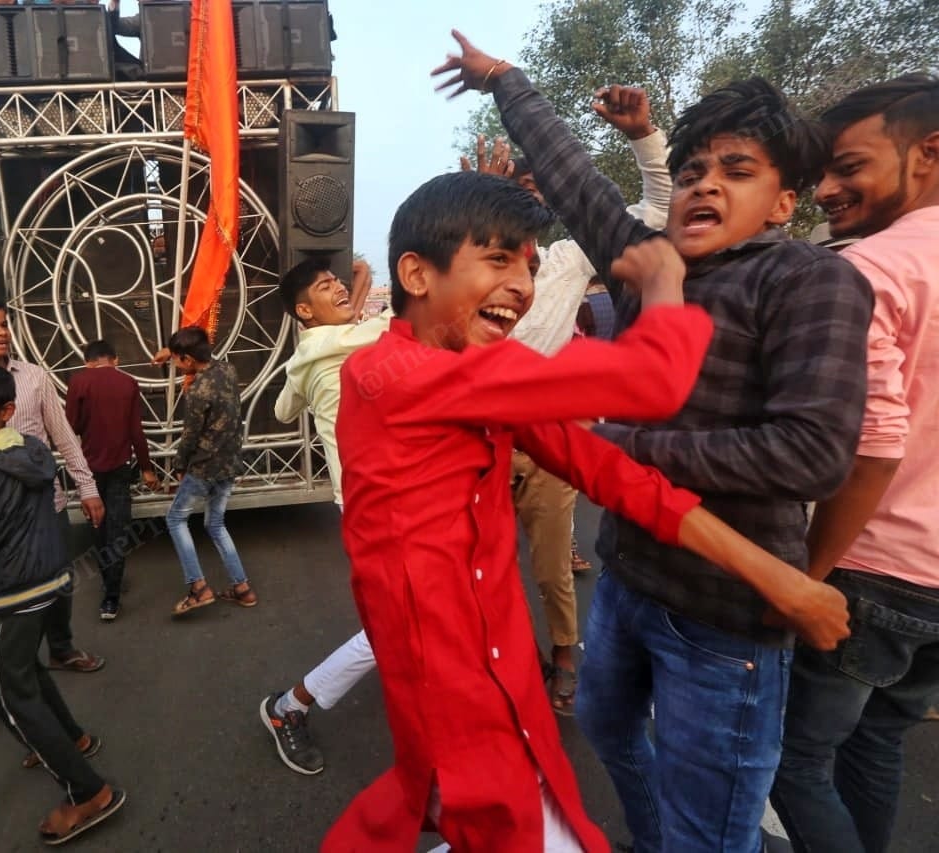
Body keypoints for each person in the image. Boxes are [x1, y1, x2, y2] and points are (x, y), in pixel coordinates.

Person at [321, 160, 851, 850]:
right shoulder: (400, 374)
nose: (522, 286)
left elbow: (610, 472)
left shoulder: (464, 380)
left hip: (495, 657)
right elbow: (656, 379)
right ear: (417, 276)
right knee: (511, 816)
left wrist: (779, 576)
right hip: (454, 682)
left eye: (531, 265)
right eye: (498, 259)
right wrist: (666, 285)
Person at [438, 31, 875, 853]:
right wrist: (507, 81)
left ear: (785, 202)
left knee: (711, 824)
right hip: (630, 580)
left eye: (737, 171)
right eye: (694, 170)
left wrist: (620, 448)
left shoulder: (807, 281)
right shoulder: (654, 263)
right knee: (607, 732)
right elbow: (574, 181)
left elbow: (812, 453)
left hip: (726, 621)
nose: (706, 184)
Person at [769, 74, 939, 853]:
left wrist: (804, 578)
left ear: (928, 153)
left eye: (849, 166)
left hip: (868, 566)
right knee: (872, 746)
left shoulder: (866, 271)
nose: (828, 190)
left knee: (794, 761)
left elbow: (873, 446)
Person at [464, 84, 673, 713]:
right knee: (483, 565)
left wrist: (643, 138)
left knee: (554, 566)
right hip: (476, 442)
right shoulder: (469, 265)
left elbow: (657, 212)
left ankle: (563, 656)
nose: (529, 200)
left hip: (550, 438)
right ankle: (504, 656)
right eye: (513, 193)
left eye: (536, 192)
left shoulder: (565, 259)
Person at [0, 362, 125, 845]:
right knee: (29, 672)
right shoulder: (33, 450)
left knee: (8, 694)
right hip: (44, 582)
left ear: (5, 411)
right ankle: (74, 740)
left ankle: (87, 792)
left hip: (8, 594)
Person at [0, 296, 106, 756]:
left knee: (58, 586)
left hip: (44, 509)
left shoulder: (33, 377)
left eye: (4, 324)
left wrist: (87, 487)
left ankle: (62, 648)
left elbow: (63, 436)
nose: (1, 333)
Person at [259, 256, 381, 775]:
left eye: (338, 281)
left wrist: (303, 384)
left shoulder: (309, 356)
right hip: (376, 510)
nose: (338, 288)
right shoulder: (354, 340)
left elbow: (283, 412)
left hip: (380, 502)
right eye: (325, 286)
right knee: (395, 626)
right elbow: (383, 324)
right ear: (304, 310)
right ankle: (289, 706)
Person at [163, 326, 255, 616]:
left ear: (188, 360)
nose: (176, 366)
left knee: (175, 519)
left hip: (203, 467)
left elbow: (190, 436)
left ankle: (199, 587)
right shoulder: (228, 370)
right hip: (230, 464)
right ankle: (242, 589)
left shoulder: (197, 391)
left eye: (177, 360)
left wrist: (179, 466)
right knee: (215, 524)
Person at [65, 339, 159, 622]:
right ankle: (111, 597)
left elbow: (73, 427)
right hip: (120, 466)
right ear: (115, 360)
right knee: (118, 529)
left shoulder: (78, 382)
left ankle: (108, 580)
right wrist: (147, 468)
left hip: (89, 469)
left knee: (98, 525)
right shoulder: (128, 383)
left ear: (88, 361)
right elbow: (136, 432)